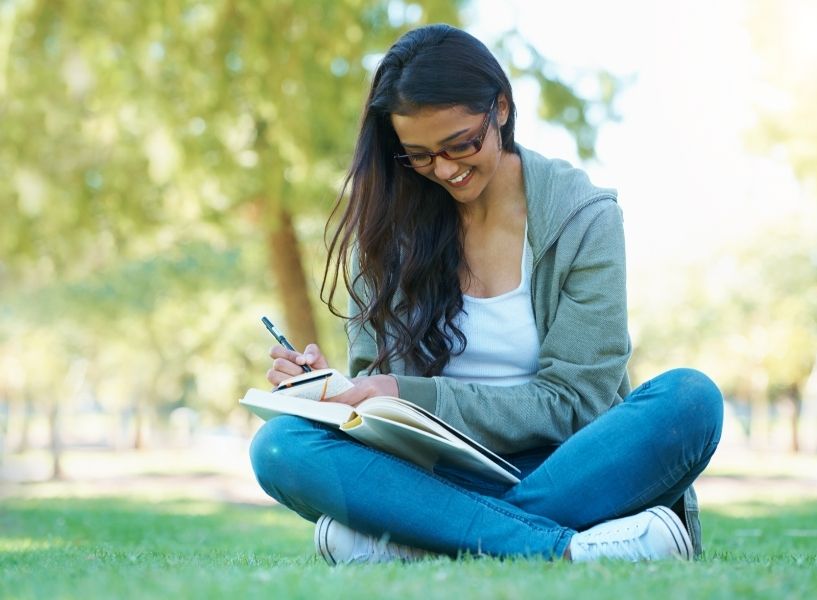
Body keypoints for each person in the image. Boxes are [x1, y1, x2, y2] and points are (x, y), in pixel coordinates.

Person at [250, 23, 723, 564]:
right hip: (437, 472)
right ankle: (567, 549)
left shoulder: (582, 218)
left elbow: (578, 403)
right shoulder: (382, 239)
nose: (446, 169)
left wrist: (404, 394)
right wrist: (332, 393)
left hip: (570, 465)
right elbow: (381, 411)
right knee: (279, 446)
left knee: (691, 399)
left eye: (461, 144)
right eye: (420, 156)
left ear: (500, 107)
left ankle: (426, 537)